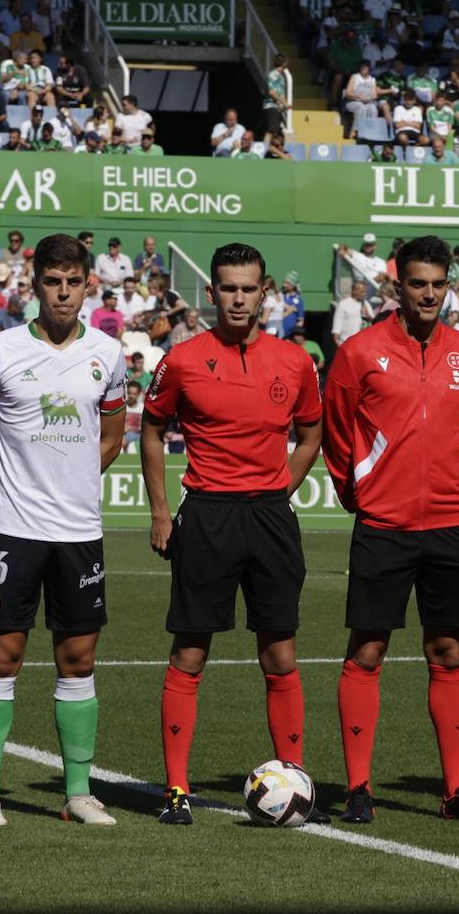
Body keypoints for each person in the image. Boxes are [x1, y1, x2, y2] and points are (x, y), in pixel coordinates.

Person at [140, 243, 324, 826]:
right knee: (190, 653)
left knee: (280, 654)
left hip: (269, 518)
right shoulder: (183, 359)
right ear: (212, 292)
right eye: (227, 288)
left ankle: (293, 782)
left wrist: (278, 491)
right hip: (207, 516)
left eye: (248, 288)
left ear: (264, 291)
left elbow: (312, 432)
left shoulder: (294, 361)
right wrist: (162, 512)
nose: (238, 298)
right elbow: (151, 430)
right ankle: (175, 791)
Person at [322, 235, 459, 825]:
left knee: (448, 651)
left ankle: (456, 792)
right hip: (384, 525)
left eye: (438, 284)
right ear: (398, 286)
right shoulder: (359, 351)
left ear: (449, 286)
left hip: (452, 524)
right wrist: (362, 493)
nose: (428, 294)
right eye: (418, 283)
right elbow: (336, 430)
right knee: (368, 651)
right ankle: (358, 789)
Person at [0, 235, 126, 828]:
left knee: (78, 659)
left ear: (87, 285)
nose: (62, 291)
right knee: (3, 655)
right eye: (52, 281)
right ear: (35, 285)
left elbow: (113, 435)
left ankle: (78, 791)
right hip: (15, 529)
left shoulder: (109, 353)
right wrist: (8, 482)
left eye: (72, 281)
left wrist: (74, 477)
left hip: (80, 531)